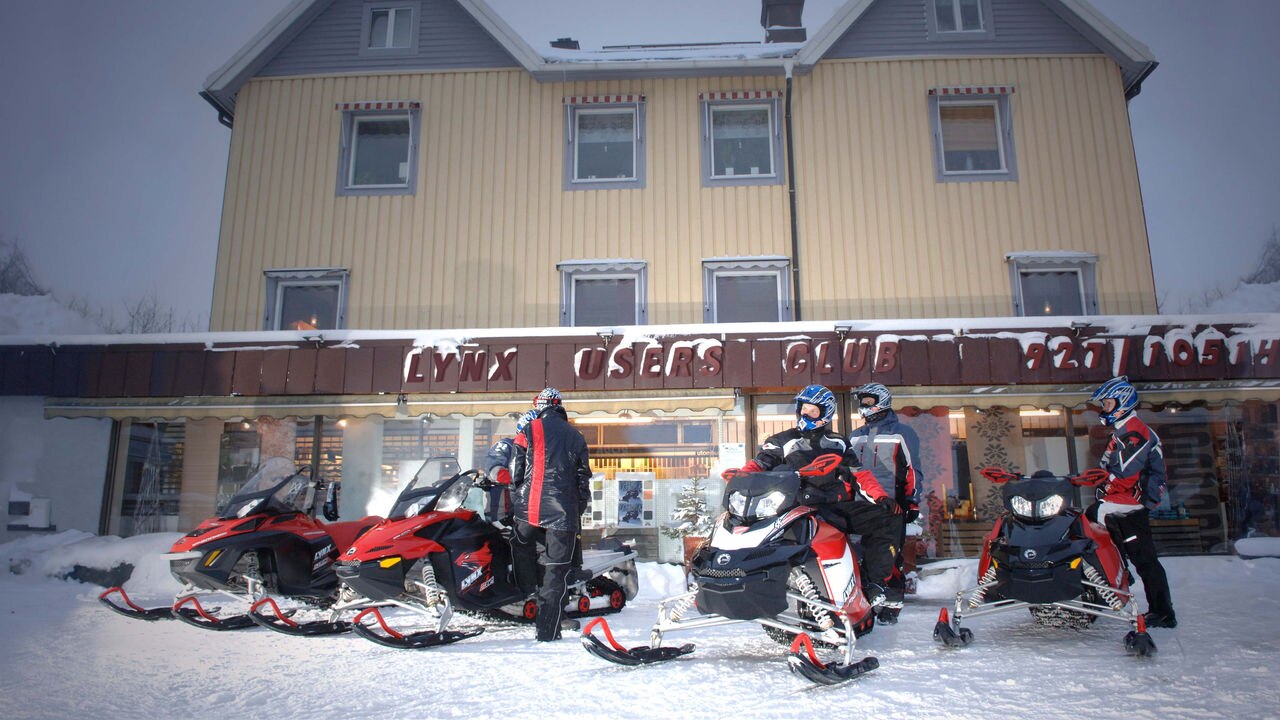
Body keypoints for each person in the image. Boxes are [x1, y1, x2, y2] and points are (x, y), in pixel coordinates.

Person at [726, 384, 902, 621]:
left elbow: (859, 473)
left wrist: (880, 497)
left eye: (813, 410)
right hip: (795, 507)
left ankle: (873, 584)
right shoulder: (782, 440)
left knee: (888, 518)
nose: (805, 414)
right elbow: (759, 464)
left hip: (833, 507)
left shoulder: (838, 443)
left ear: (826, 413)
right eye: (803, 409)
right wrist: (742, 477)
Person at [1084, 376, 1177, 628]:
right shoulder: (1124, 430)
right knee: (1109, 545)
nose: (1104, 409)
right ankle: (1112, 585)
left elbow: (1125, 474)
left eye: (1107, 404)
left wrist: (1102, 485)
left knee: (1144, 559)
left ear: (1123, 403)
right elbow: (1107, 468)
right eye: (1103, 405)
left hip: (1131, 504)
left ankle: (1162, 612)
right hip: (1123, 502)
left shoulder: (1134, 431)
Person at [509, 388, 593, 641]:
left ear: (540, 406)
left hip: (529, 508)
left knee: (518, 543)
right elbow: (583, 478)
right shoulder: (576, 436)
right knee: (556, 571)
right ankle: (548, 631)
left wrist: (518, 497)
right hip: (563, 512)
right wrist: (576, 510)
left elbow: (516, 470)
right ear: (559, 406)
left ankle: (525, 590)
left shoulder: (528, 430)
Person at [848, 382, 922, 622]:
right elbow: (849, 472)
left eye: (869, 401)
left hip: (891, 505)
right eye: (862, 402)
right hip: (859, 506)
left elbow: (912, 470)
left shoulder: (902, 432)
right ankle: (866, 602)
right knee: (860, 554)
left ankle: (891, 606)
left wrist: (912, 501)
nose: (864, 406)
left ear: (881, 401)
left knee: (889, 556)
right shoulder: (855, 436)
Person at [481, 409, 537, 523]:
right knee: (501, 531)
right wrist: (525, 480)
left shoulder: (542, 451)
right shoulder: (506, 445)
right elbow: (495, 472)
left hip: (531, 505)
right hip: (504, 504)